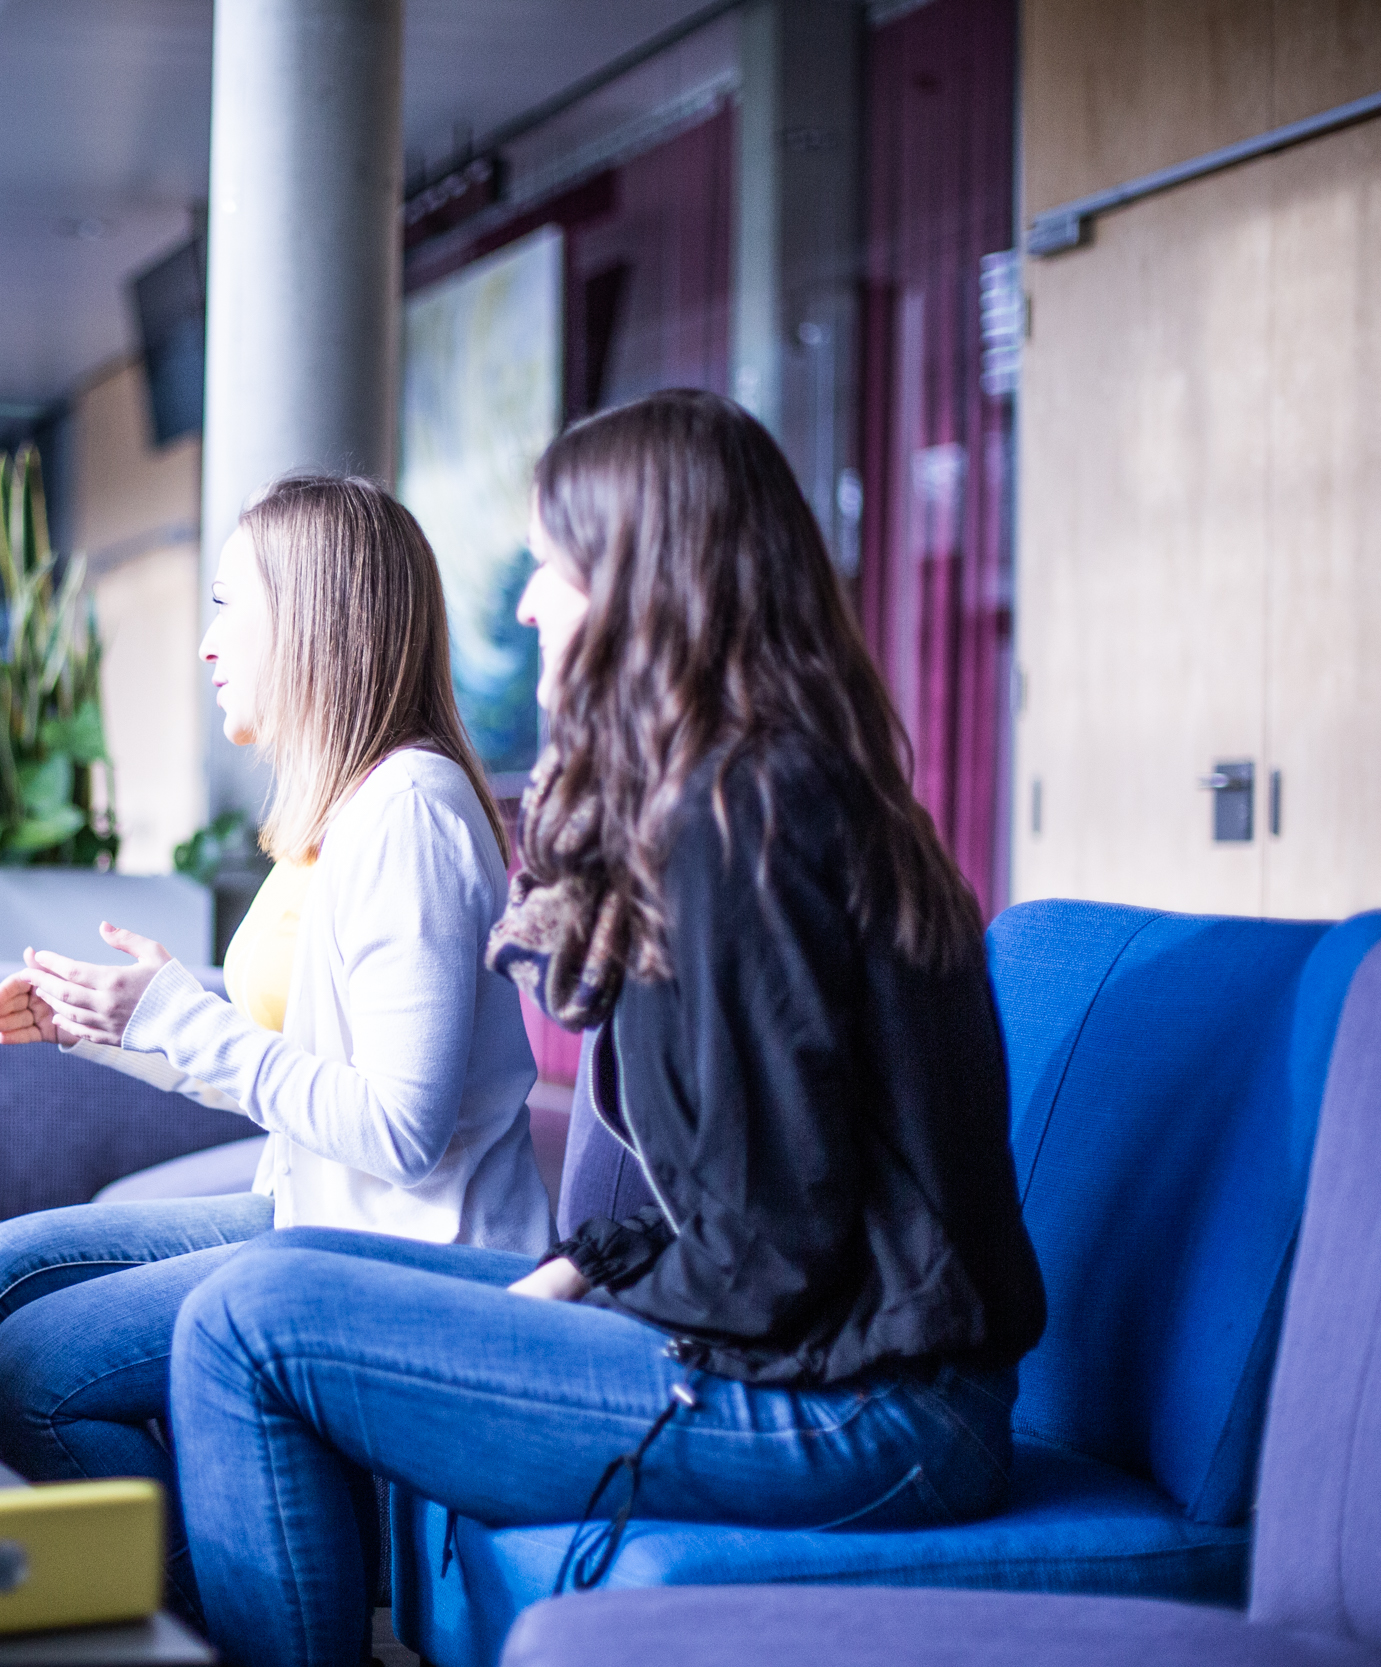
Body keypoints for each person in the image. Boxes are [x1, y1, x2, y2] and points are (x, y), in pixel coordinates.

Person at [163, 392, 1050, 1667]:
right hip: (822, 1353)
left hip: (866, 1410)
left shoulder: (746, 821)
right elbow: (761, 1189)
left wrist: (577, 1297)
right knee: (263, 1297)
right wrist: (583, 1265)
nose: (527, 605)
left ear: (648, 583)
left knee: (248, 1322)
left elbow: (768, 1247)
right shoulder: (752, 789)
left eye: (553, 567)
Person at [0, 474, 551, 1611]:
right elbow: (282, 1064)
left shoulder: (409, 812)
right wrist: (113, 1028)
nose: (210, 644)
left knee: (36, 1368)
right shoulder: (339, 808)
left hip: (406, 1244)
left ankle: (193, 1624)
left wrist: (176, 1016)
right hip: (321, 1209)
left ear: (313, 620)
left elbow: (398, 1130)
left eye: (231, 608)